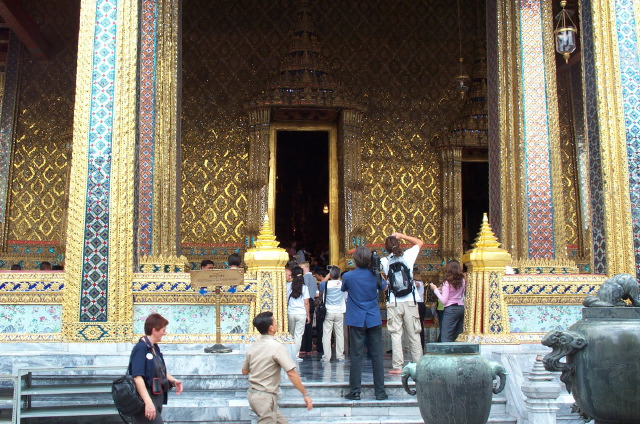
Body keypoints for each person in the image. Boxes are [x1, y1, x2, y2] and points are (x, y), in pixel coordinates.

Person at [242, 311, 313, 424]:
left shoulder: (253, 348)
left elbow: (244, 371)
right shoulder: (277, 347)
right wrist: (305, 394)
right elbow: (291, 373)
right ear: (271, 328)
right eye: (275, 322)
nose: (277, 323)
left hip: (254, 396)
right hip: (265, 398)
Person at [342, 246, 388, 401]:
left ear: (355, 260)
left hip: (356, 319)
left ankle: (355, 391)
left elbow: (344, 288)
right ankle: (380, 392)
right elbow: (384, 287)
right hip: (373, 318)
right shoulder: (375, 276)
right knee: (377, 356)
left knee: (356, 355)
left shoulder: (348, 276)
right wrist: (377, 271)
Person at [380, 232, 424, 374]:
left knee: (396, 334)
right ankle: (418, 364)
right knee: (414, 334)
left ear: (386, 248)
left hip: (394, 302)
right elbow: (419, 242)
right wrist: (402, 235)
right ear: (398, 245)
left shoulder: (384, 261)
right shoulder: (408, 256)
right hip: (410, 300)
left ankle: (398, 366)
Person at [130, 313, 183, 423]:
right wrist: (148, 402)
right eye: (163, 330)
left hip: (157, 397)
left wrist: (173, 380)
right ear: (154, 330)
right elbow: (137, 377)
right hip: (145, 399)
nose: (165, 333)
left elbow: (159, 369)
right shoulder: (141, 348)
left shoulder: (154, 348)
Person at [430, 260, 466, 342]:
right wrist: (442, 290)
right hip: (460, 307)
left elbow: (444, 300)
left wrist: (435, 289)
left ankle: (447, 353)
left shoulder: (447, 282)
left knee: (446, 334)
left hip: (451, 309)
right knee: (457, 334)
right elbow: (457, 293)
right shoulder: (462, 280)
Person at [319, 265, 346, 363]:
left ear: (330, 275)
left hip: (329, 311)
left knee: (326, 334)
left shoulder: (325, 285)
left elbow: (321, 283)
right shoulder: (342, 284)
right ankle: (340, 356)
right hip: (339, 311)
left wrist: (328, 275)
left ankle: (327, 356)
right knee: (339, 334)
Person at [287, 266, 310, 361]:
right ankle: (295, 355)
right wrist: (308, 315)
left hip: (291, 312)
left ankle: (289, 354)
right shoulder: (304, 287)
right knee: (298, 335)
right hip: (301, 313)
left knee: (290, 334)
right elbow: (306, 302)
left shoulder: (288, 286)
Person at [300, 261, 318, 355]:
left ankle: (303, 347)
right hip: (312, 301)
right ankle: (309, 348)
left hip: (306, 302)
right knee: (309, 326)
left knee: (303, 325)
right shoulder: (314, 279)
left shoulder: (305, 278)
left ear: (306, 268)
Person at [413, 266, 428, 349]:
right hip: (420, 305)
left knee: (419, 325)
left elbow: (415, 285)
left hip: (418, 304)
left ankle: (420, 344)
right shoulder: (420, 282)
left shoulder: (418, 283)